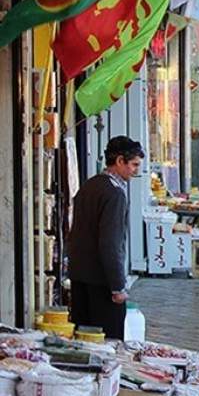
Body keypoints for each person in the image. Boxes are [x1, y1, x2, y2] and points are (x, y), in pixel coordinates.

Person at [67, 136, 144, 340]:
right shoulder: (115, 193)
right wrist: (118, 286)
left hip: (80, 276)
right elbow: (111, 243)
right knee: (108, 342)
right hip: (102, 282)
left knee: (82, 340)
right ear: (120, 161)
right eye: (134, 165)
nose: (137, 171)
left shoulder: (90, 185)